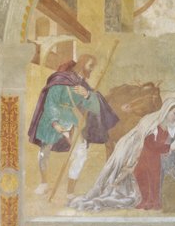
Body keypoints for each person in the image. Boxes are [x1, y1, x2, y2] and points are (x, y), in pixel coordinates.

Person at [69, 98, 175, 211]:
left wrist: (171, 148)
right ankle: (145, 200)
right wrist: (169, 147)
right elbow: (149, 144)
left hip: (154, 160)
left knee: (154, 180)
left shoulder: (169, 130)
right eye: (174, 113)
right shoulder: (153, 124)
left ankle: (154, 201)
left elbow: (161, 148)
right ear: (167, 110)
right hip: (142, 157)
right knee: (142, 177)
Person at [28, 54, 119, 197]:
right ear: (83, 64)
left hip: (70, 119)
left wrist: (87, 95)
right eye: (90, 66)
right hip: (52, 119)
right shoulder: (61, 78)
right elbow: (51, 102)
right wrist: (55, 123)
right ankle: (44, 183)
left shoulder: (82, 84)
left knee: (81, 152)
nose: (92, 69)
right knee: (44, 151)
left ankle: (70, 191)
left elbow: (94, 107)